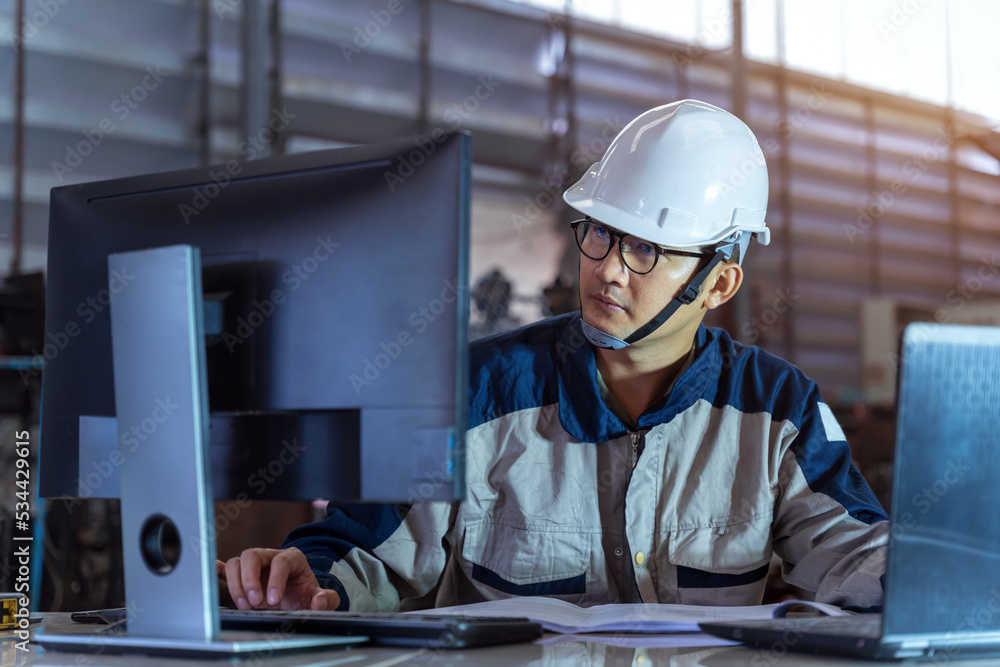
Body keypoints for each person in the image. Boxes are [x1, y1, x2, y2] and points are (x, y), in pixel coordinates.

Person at [220, 99, 889, 614]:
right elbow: (362, 545)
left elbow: (853, 555)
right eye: (600, 233)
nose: (609, 270)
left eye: (645, 249)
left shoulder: (777, 408)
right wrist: (311, 577)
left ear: (717, 283)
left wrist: (946, 570)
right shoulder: (476, 390)